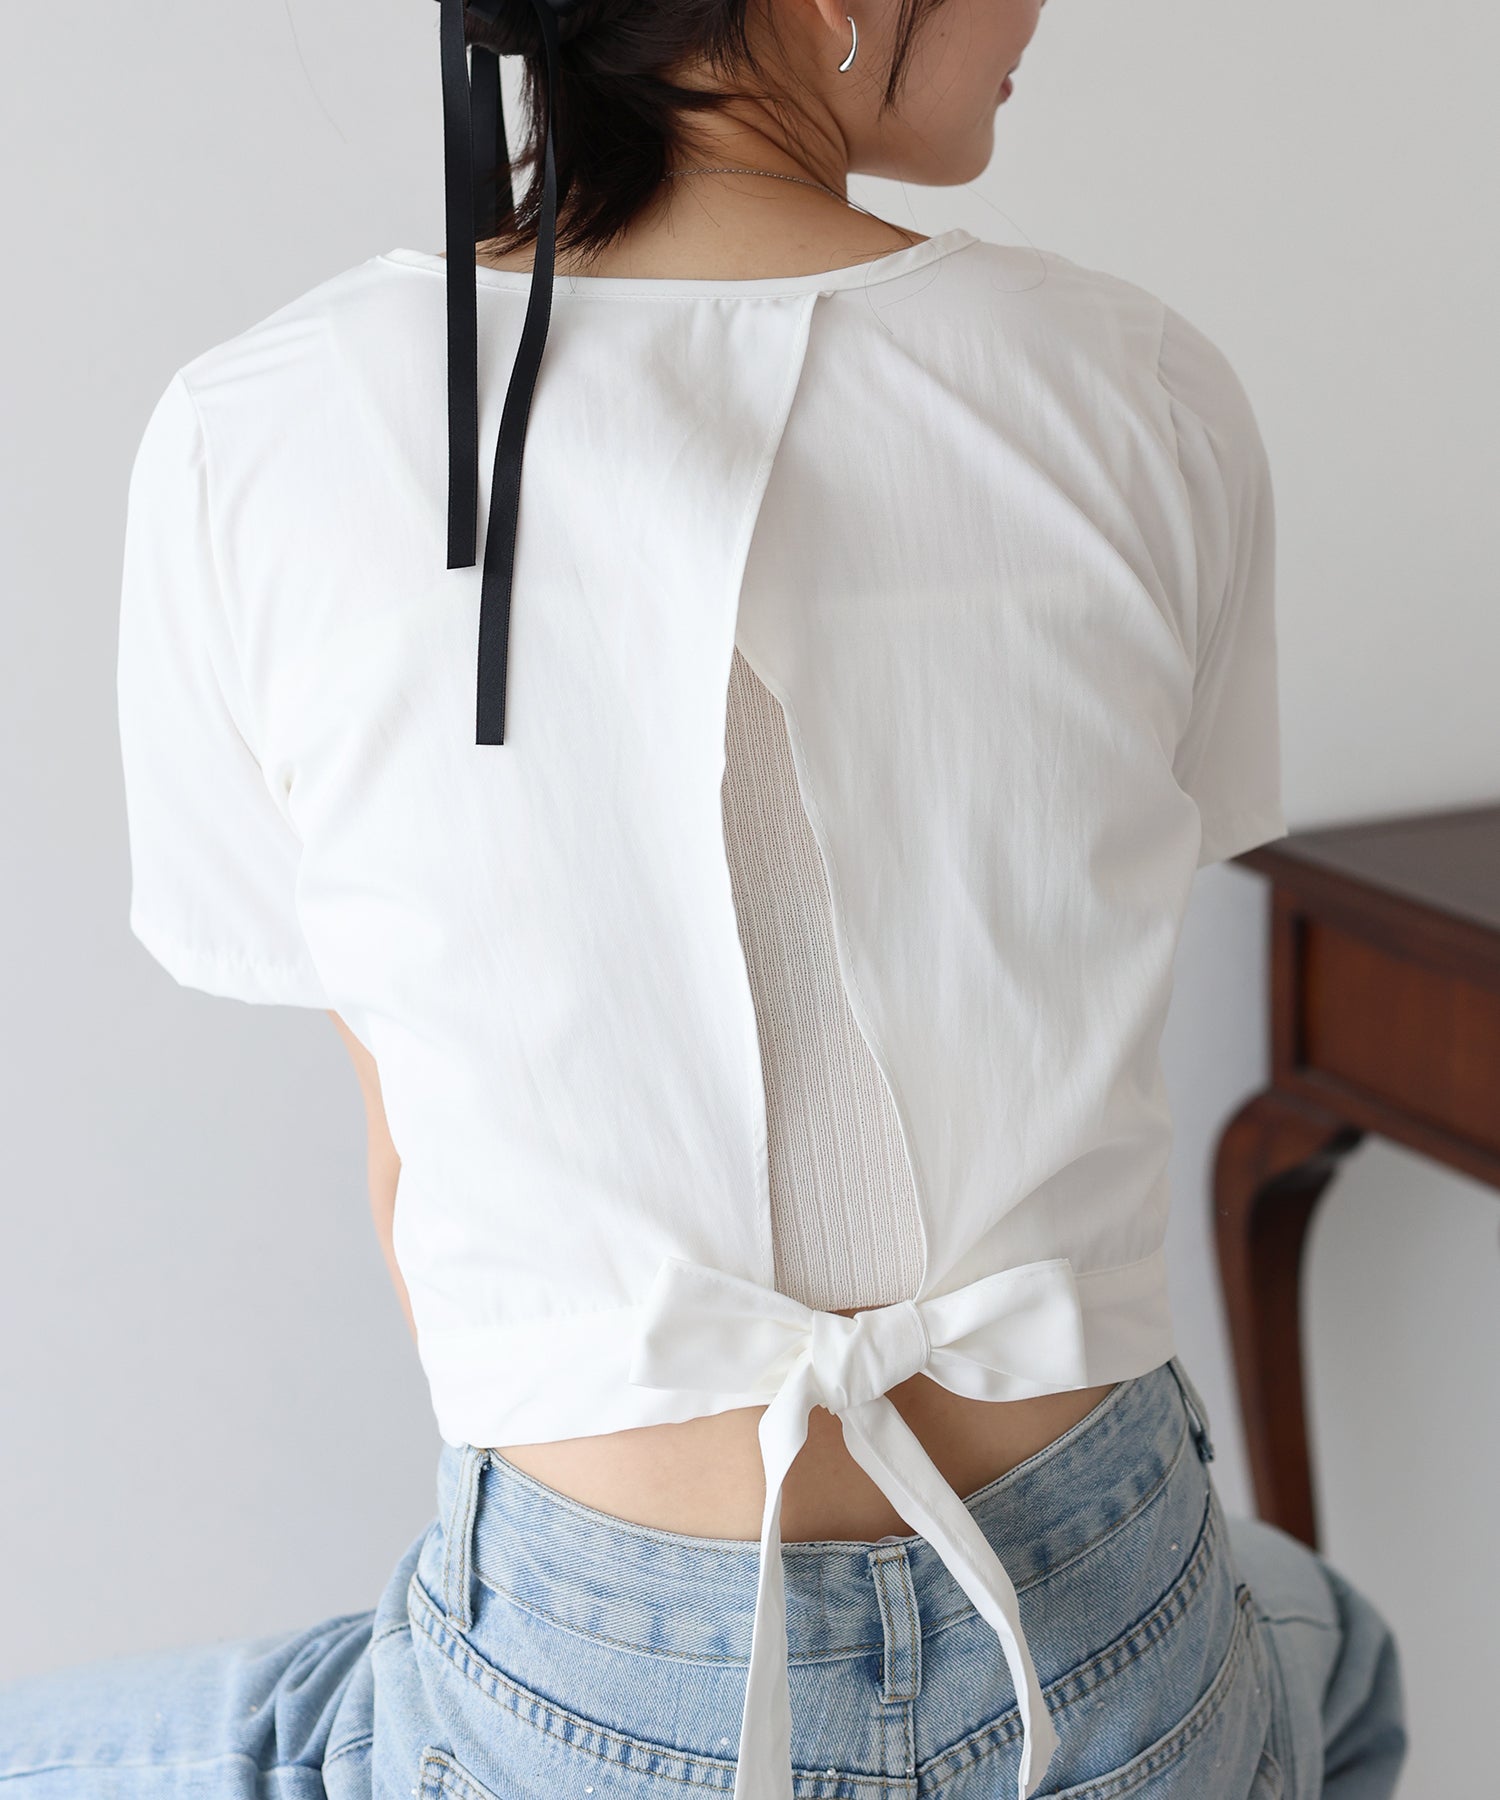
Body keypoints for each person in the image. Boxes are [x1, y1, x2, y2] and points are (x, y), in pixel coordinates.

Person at [0, 0, 1409, 1796]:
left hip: (607, 1668)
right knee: (1333, 1654)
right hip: (1108, 1619)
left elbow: (414, 1184)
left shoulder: (255, 429)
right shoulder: (1139, 384)